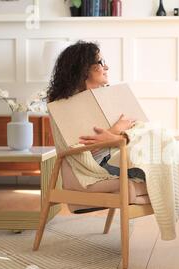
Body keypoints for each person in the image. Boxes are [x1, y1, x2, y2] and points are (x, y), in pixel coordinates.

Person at [47, 40, 145, 180]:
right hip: (103, 163)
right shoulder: (66, 106)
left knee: (159, 145)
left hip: (121, 153)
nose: (107, 67)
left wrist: (119, 136)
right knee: (156, 170)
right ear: (84, 68)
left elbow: (137, 125)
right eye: (101, 62)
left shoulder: (108, 96)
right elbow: (82, 152)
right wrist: (115, 131)